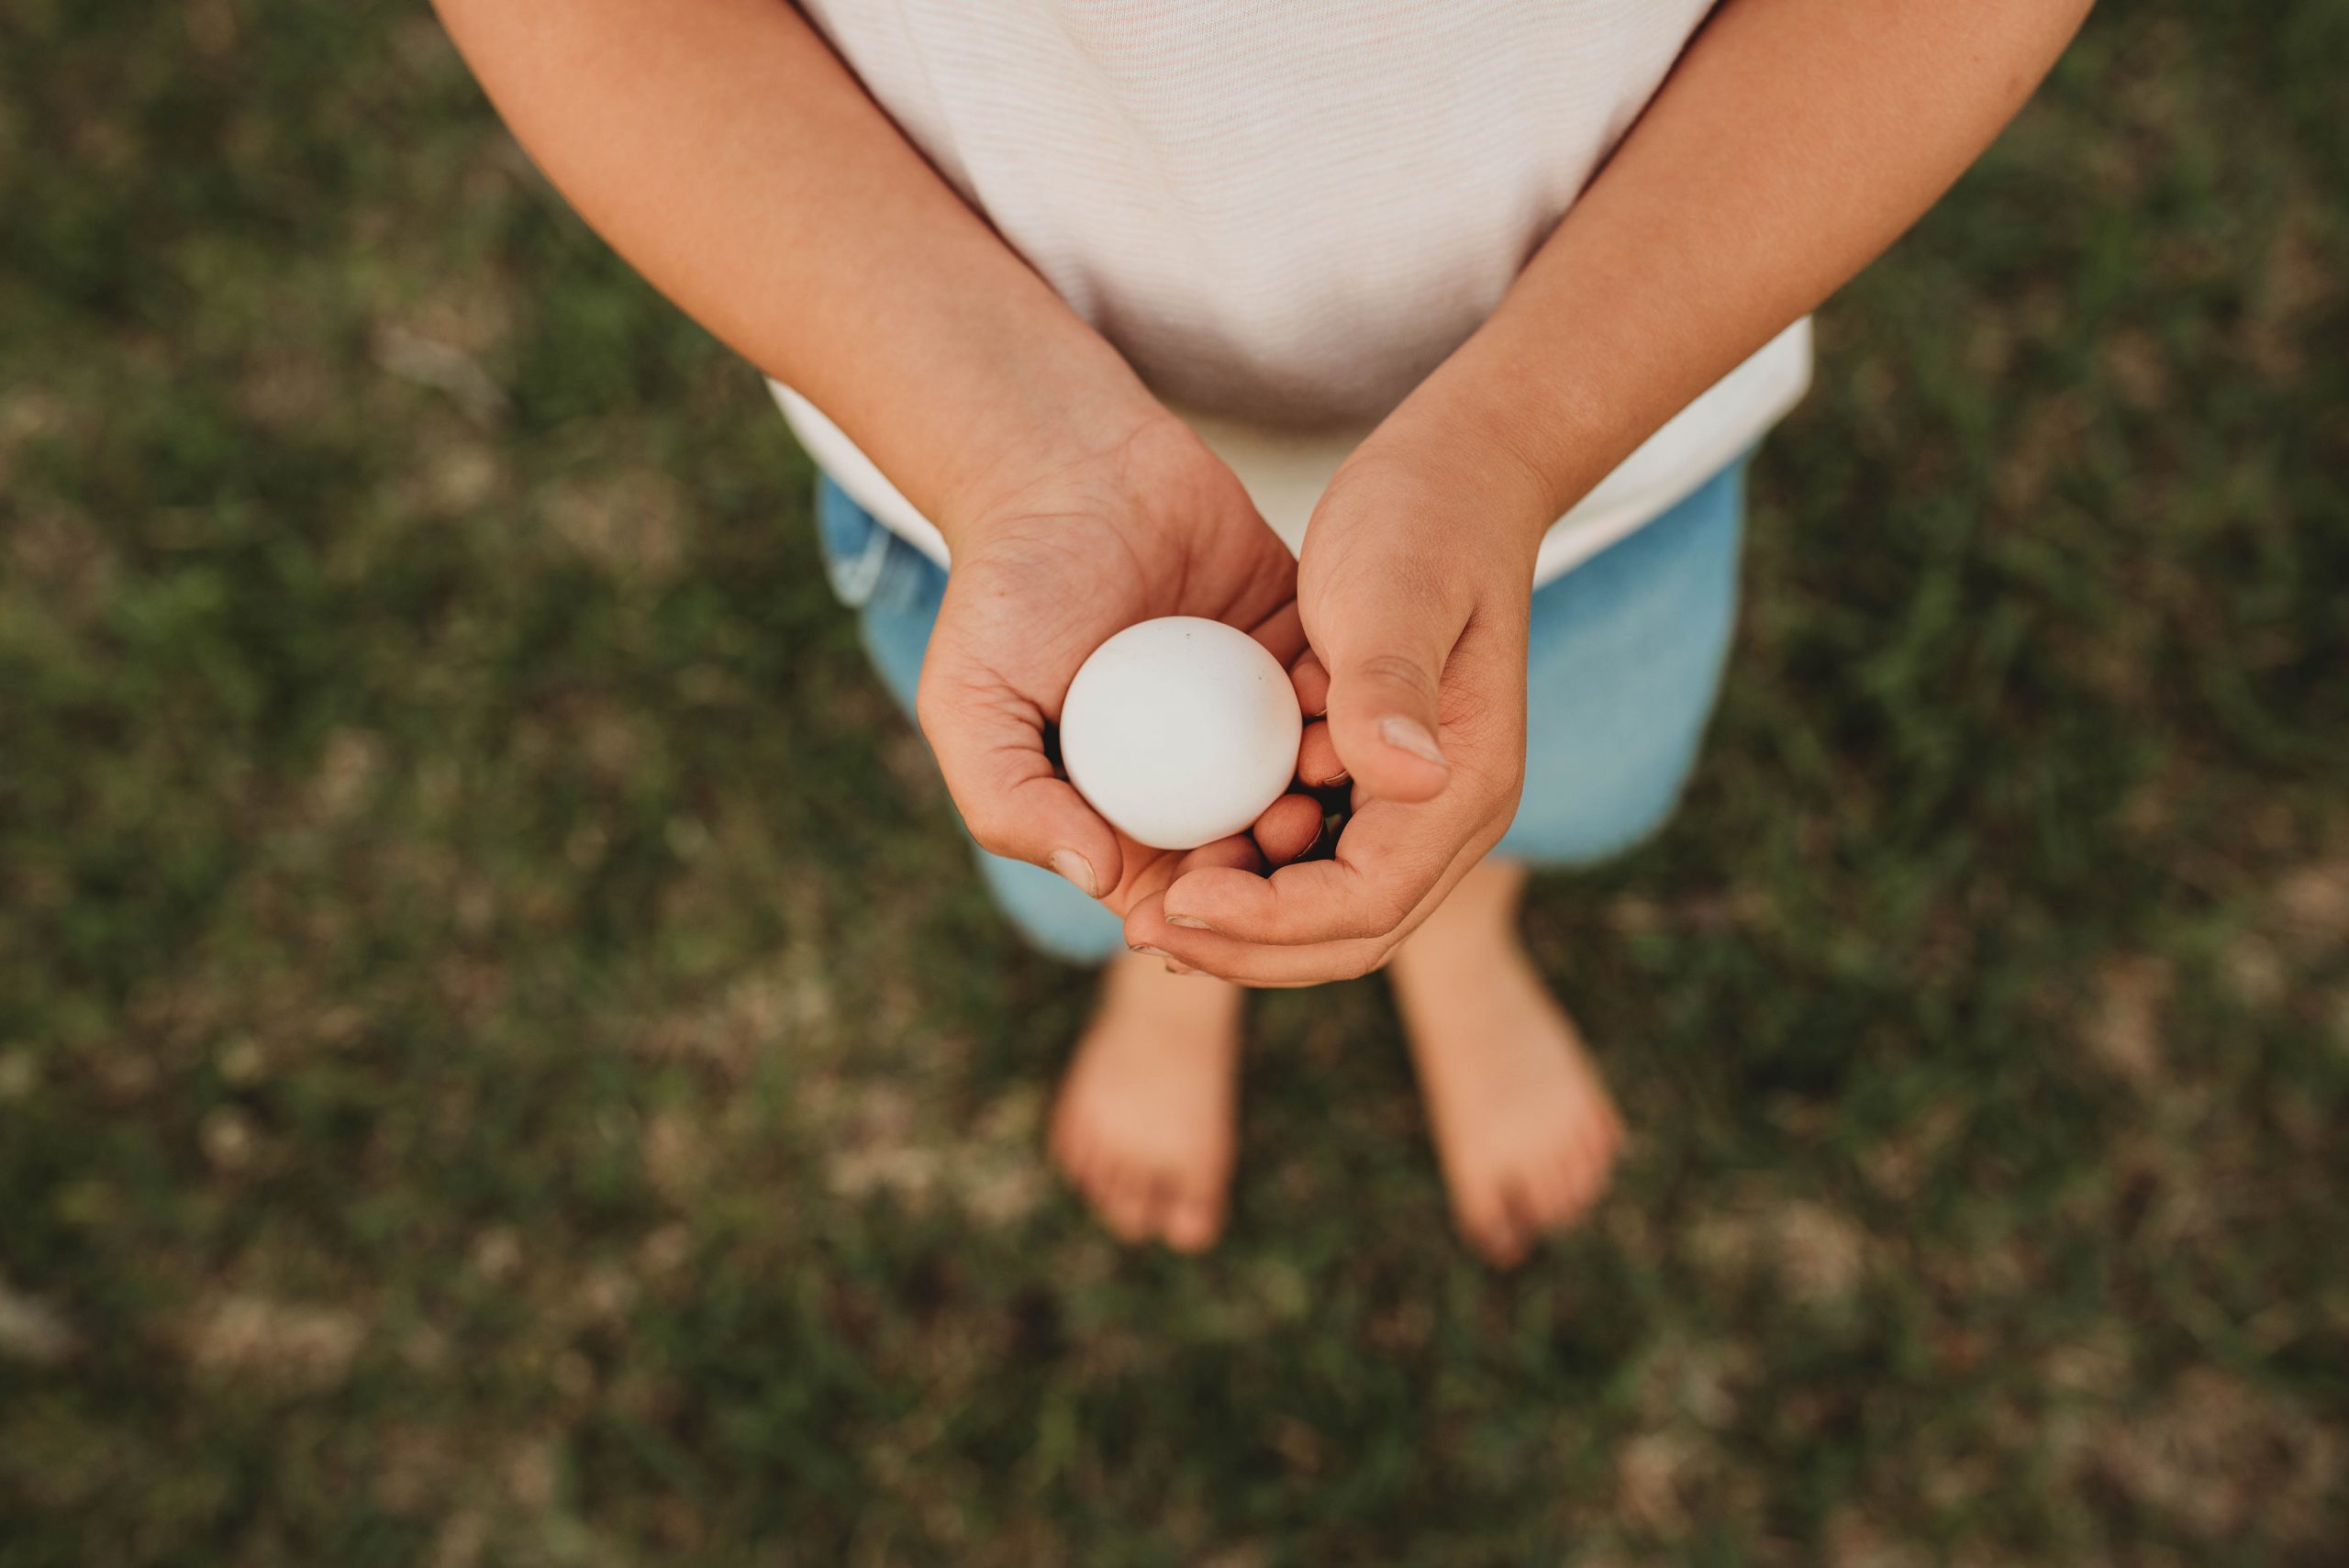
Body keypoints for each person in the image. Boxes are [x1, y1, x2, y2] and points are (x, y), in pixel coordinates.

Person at [434, 0, 2093, 1265]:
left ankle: (1463, 927)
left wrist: (1513, 443)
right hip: (981, 483)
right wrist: (1004, 445)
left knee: (1526, 762)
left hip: (1597, 464)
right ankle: (1180, 974)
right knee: (1114, 871)